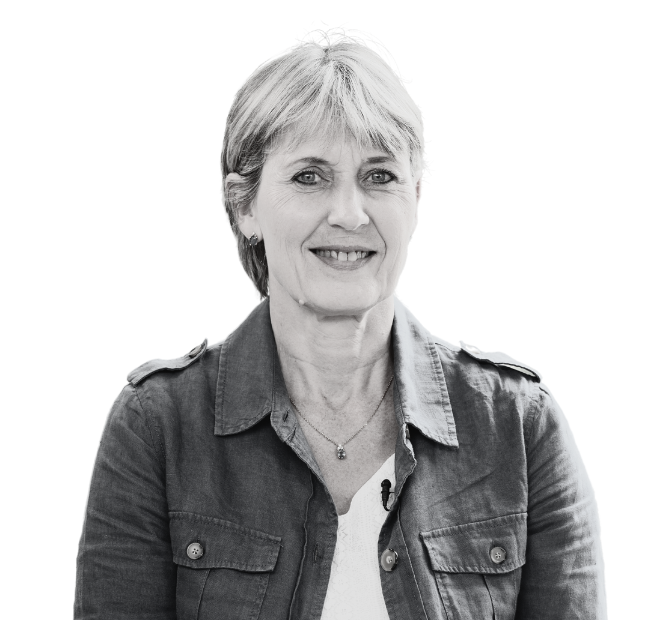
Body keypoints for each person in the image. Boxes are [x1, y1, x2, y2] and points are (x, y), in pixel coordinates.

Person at [74, 37, 606, 619]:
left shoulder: (519, 426)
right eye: (310, 177)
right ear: (244, 206)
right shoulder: (157, 427)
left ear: (415, 198)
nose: (350, 214)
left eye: (379, 175)